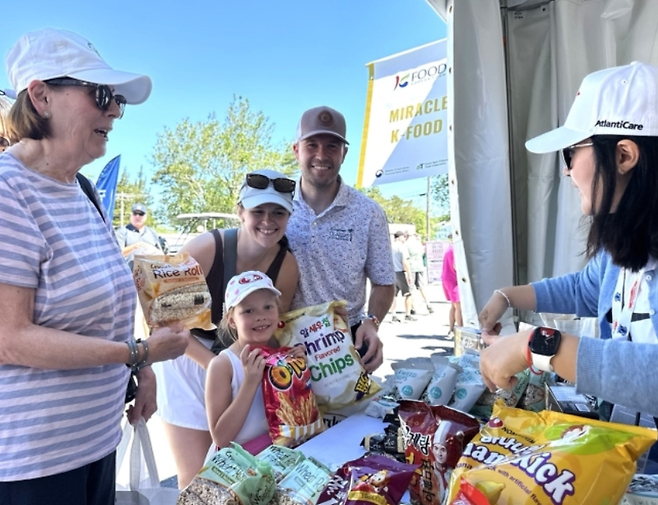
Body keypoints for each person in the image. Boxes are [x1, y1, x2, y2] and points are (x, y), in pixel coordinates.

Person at [0, 28, 188, 505]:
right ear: (40, 96)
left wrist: (140, 373)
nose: (115, 112)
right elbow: (10, 339)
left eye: (118, 100)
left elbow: (108, 301)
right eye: (101, 94)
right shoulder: (9, 192)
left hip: (98, 442)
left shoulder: (84, 191)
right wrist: (138, 354)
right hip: (33, 465)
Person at [478, 62, 658, 419]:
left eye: (571, 152)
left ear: (624, 155)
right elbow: (584, 290)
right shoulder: (629, 238)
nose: (567, 169)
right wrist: (508, 295)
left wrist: (540, 347)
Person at [152, 169, 299, 488]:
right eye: (258, 211)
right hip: (188, 361)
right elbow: (166, 322)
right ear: (240, 211)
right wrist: (217, 369)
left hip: (241, 364)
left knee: (238, 471)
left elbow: (275, 325)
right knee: (195, 480)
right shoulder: (206, 248)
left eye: (278, 212)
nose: (267, 221)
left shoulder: (285, 265)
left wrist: (284, 361)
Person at [287, 105, 395, 372]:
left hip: (346, 346)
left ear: (344, 153)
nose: (321, 155)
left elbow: (384, 282)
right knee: (289, 415)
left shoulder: (368, 213)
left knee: (351, 414)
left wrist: (373, 322)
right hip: (286, 345)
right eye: (312, 144)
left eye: (332, 146)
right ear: (296, 150)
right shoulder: (277, 208)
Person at [205, 271, 305, 449]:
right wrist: (250, 382)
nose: (260, 316)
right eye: (248, 311)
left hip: (285, 454)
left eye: (268, 307)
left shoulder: (284, 350)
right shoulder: (223, 365)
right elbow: (220, 438)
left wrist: (300, 373)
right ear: (232, 320)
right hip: (243, 465)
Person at [115, 202, 168, 268]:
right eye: (135, 213)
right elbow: (116, 254)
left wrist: (149, 248)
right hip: (129, 273)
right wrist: (135, 246)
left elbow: (161, 255)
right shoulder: (121, 232)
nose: (137, 216)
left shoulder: (152, 232)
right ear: (131, 216)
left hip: (150, 273)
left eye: (141, 214)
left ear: (145, 217)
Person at [390, 231, 416, 322]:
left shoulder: (389, 246)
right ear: (400, 237)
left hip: (391, 273)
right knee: (408, 294)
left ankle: (393, 315)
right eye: (403, 237)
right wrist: (409, 275)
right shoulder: (402, 247)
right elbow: (405, 262)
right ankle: (407, 314)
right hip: (400, 272)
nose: (405, 238)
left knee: (393, 295)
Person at [407, 232, 434, 315]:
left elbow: (405, 257)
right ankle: (428, 303)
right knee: (421, 287)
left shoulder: (406, 244)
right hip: (420, 266)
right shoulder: (418, 244)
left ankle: (413, 308)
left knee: (410, 289)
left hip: (411, 267)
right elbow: (423, 253)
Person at [441, 235, 462, 337]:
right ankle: (461, 330)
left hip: (447, 278)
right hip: (453, 279)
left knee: (453, 306)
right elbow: (456, 266)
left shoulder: (449, 248)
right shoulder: (455, 249)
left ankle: (452, 329)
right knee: (458, 306)